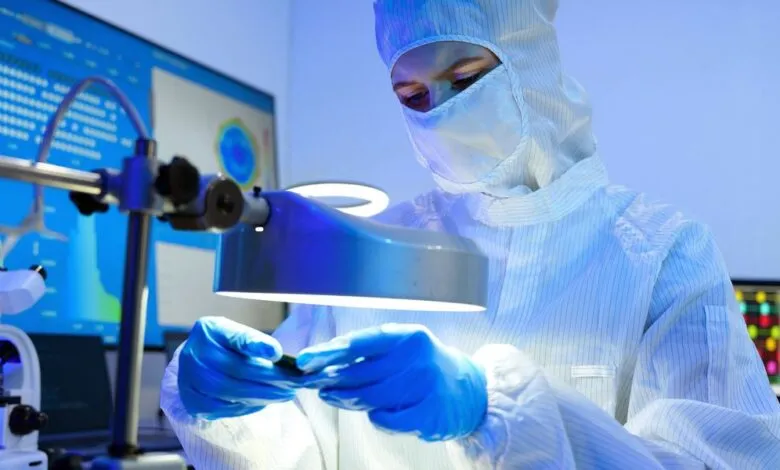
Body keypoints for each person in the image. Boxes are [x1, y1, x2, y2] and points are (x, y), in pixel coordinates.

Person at [161, 1, 780, 468]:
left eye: (464, 81)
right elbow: (299, 450)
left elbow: (720, 462)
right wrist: (225, 406)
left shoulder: (662, 255)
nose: (441, 113)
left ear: (530, 66)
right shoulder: (373, 247)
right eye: (413, 95)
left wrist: (496, 411)